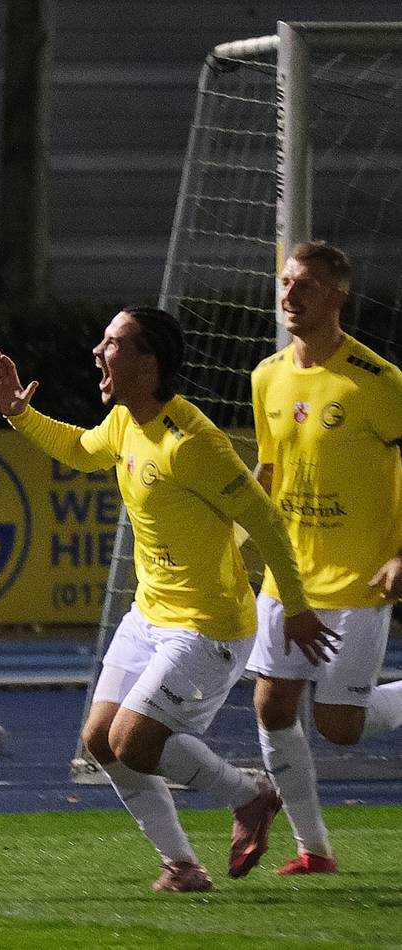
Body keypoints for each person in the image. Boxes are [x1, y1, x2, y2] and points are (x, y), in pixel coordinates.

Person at [0, 306, 337, 892]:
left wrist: (296, 605)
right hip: (150, 613)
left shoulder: (194, 442)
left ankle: (250, 797)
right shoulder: (124, 422)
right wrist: (20, 414)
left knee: (134, 742)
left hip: (208, 625)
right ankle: (182, 865)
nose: (98, 351)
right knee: (101, 741)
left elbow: (267, 524)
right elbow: (80, 448)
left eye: (112, 343)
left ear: (148, 365)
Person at [247, 240, 402, 874]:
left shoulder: (379, 380)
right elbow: (267, 470)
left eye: (304, 285)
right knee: (271, 704)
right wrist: (233, 544)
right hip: (290, 577)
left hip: (360, 578)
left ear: (335, 296)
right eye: (285, 282)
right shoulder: (267, 376)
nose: (290, 294)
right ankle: (314, 850)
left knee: (340, 724)